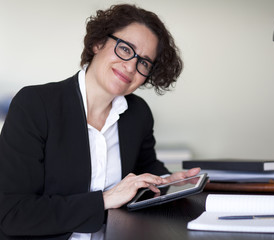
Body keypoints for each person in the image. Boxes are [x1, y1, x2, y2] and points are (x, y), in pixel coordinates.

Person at [0, 4, 200, 240]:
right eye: (125, 49)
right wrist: (105, 199)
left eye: (144, 63)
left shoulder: (138, 114)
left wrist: (167, 182)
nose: (131, 66)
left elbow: (145, 169)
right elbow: (12, 214)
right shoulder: (35, 105)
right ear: (98, 43)